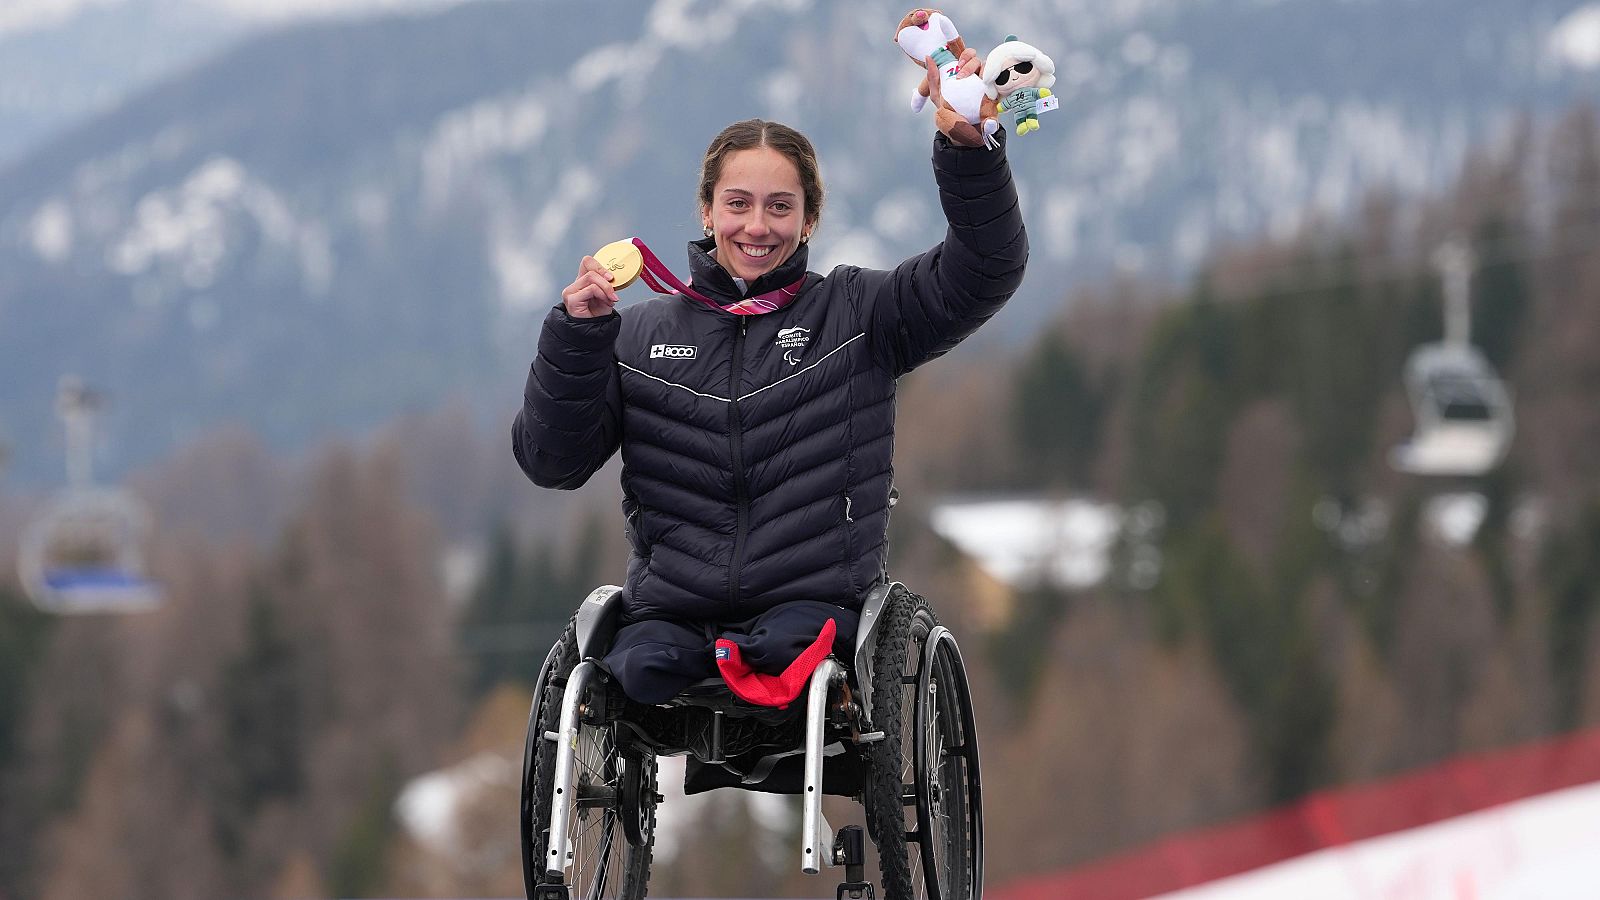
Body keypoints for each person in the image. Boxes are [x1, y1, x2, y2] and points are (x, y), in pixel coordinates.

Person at [513, 57, 1028, 707]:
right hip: (670, 620)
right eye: (738, 204)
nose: (757, 227)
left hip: (810, 617)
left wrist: (971, 152)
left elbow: (986, 269)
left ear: (809, 220)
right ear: (707, 211)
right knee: (630, 669)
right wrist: (577, 335)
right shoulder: (634, 339)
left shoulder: (858, 315)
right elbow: (551, 461)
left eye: (780, 207)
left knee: (792, 651)